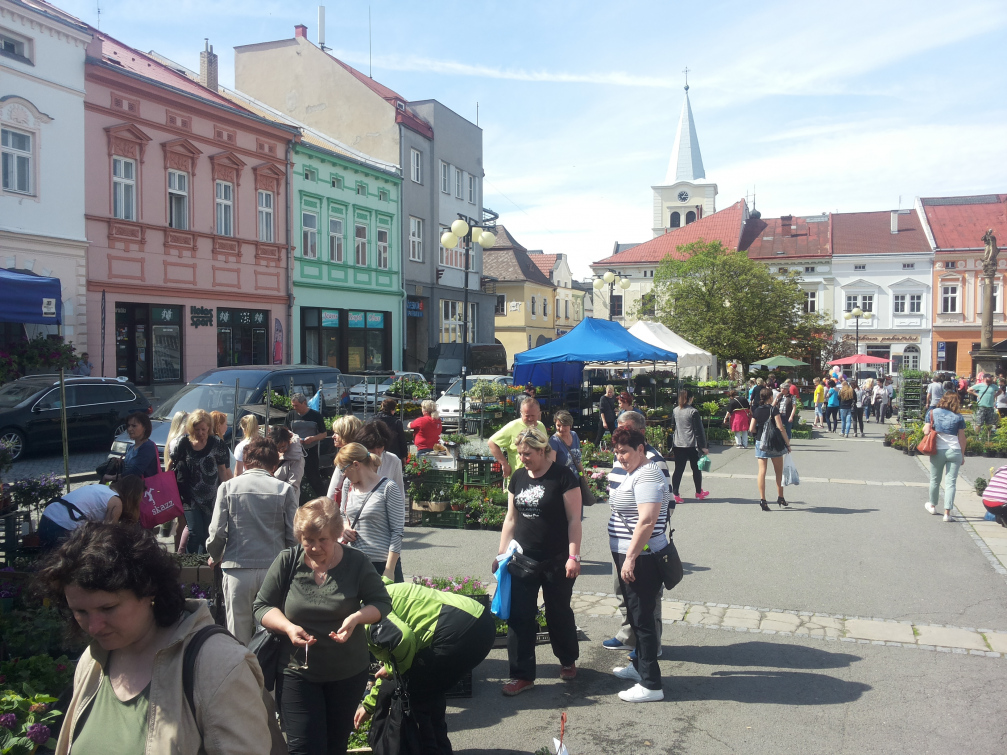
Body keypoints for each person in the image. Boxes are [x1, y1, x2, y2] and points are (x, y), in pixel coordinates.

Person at [40, 523, 281, 755]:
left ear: (148, 590)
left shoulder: (218, 665)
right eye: (80, 612)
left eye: (108, 608)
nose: (93, 626)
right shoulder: (93, 660)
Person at [253, 498, 392, 755]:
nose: (315, 548)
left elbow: (382, 603)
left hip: (347, 673)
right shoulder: (288, 561)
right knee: (304, 747)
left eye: (323, 540)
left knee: (334, 746)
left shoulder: (357, 562)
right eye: (308, 541)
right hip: (297, 671)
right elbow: (261, 606)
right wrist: (287, 627)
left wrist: (357, 617)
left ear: (338, 535)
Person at [354, 579, 496, 753]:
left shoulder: (366, 614)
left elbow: (403, 639)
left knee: (416, 699)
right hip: (480, 620)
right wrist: (371, 703)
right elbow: (397, 653)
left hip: (456, 632)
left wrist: (387, 678)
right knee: (431, 692)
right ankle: (440, 749)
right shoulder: (379, 590)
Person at [495, 427, 582, 696]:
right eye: (520, 454)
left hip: (557, 559)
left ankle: (567, 658)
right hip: (522, 558)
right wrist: (500, 556)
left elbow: (574, 520)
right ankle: (522, 675)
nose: (522, 459)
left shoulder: (563, 477)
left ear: (543, 450)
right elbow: (510, 519)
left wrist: (573, 556)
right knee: (520, 617)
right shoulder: (519, 476)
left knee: (558, 612)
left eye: (528, 454)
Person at [206, 437, 299, 644]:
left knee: (237, 633)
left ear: (246, 463)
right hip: (273, 569)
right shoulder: (284, 490)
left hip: (237, 568)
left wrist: (215, 554)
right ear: (275, 465)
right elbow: (293, 535)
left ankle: (240, 675)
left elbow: (217, 532)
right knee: (269, 634)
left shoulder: (228, 488)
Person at [606, 426, 670, 703]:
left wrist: (630, 558)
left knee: (643, 618)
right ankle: (639, 668)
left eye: (625, 452)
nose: (620, 457)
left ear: (641, 449)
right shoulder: (636, 472)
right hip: (629, 553)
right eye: (617, 452)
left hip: (642, 558)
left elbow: (647, 521)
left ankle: (652, 685)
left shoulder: (648, 474)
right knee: (634, 615)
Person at [334, 443, 406, 582]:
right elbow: (342, 514)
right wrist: (345, 528)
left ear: (356, 465)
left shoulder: (388, 488)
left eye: (344, 469)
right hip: (353, 561)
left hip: (382, 563)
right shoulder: (348, 485)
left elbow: (397, 531)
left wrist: (389, 570)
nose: (343, 474)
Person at [171, 409, 230, 554]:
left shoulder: (217, 443)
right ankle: (191, 564)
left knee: (208, 533)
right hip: (189, 497)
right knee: (195, 532)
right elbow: (172, 465)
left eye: (204, 429)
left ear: (209, 428)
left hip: (212, 497)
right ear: (191, 428)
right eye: (197, 429)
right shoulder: (183, 443)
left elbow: (222, 470)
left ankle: (204, 565)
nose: (201, 433)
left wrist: (228, 491)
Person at [38, 476, 144, 548]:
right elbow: (108, 534)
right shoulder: (116, 502)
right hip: (63, 526)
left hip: (48, 517)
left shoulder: (102, 488)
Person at [923, 392, 967, 523]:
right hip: (954, 451)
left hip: (938, 450)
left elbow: (926, 431)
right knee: (951, 482)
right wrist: (962, 455)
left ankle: (932, 506)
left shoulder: (932, 413)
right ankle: (947, 513)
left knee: (935, 480)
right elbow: (962, 438)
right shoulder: (958, 417)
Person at [750, 387, 792, 511]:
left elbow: (751, 428)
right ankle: (780, 497)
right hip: (774, 443)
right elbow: (780, 427)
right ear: (770, 397)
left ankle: (763, 500)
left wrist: (759, 433)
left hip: (760, 442)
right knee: (778, 472)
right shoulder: (774, 410)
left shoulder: (757, 410)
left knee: (762, 471)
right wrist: (787, 444)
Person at [286, 392, 331, 499]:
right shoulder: (290, 415)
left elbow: (324, 434)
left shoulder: (316, 416)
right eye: (293, 405)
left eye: (296, 405)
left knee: (314, 478)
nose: (294, 408)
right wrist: (292, 438)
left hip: (310, 451)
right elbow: (286, 431)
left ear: (304, 403)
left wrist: (313, 439)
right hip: (294, 451)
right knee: (294, 477)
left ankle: (324, 499)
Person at [671, 390, 709, 504]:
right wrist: (703, 446)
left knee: (678, 469)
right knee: (696, 469)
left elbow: (672, 426)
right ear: (690, 399)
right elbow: (698, 430)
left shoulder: (675, 410)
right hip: (691, 444)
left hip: (678, 443)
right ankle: (698, 492)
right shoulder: (693, 412)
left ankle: (675, 493)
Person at [105, 411, 159, 481]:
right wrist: (121, 464)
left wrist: (112, 477)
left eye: (134, 426)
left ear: (145, 427)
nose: (130, 429)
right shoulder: (131, 447)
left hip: (144, 489)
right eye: (128, 425)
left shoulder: (148, 446)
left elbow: (136, 471)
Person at [270, 425, 306, 500]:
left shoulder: (297, 458)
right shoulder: (272, 452)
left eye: (283, 446)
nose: (281, 450)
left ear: (289, 440)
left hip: (285, 502)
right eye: (277, 448)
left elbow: (293, 486)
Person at [550, 409, 584, 478]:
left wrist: (583, 476)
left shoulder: (574, 435)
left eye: (565, 425)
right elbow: (551, 465)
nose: (561, 429)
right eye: (558, 425)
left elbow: (578, 461)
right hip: (563, 482)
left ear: (570, 425)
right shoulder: (554, 441)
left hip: (576, 480)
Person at [969, 373, 999, 440]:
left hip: (990, 407)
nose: (990, 380)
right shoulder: (980, 385)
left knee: (989, 424)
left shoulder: (993, 386)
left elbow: (999, 391)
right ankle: (976, 437)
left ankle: (988, 439)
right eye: (989, 378)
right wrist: (977, 395)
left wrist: (995, 396)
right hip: (981, 407)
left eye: (991, 378)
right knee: (979, 423)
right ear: (985, 378)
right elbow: (969, 390)